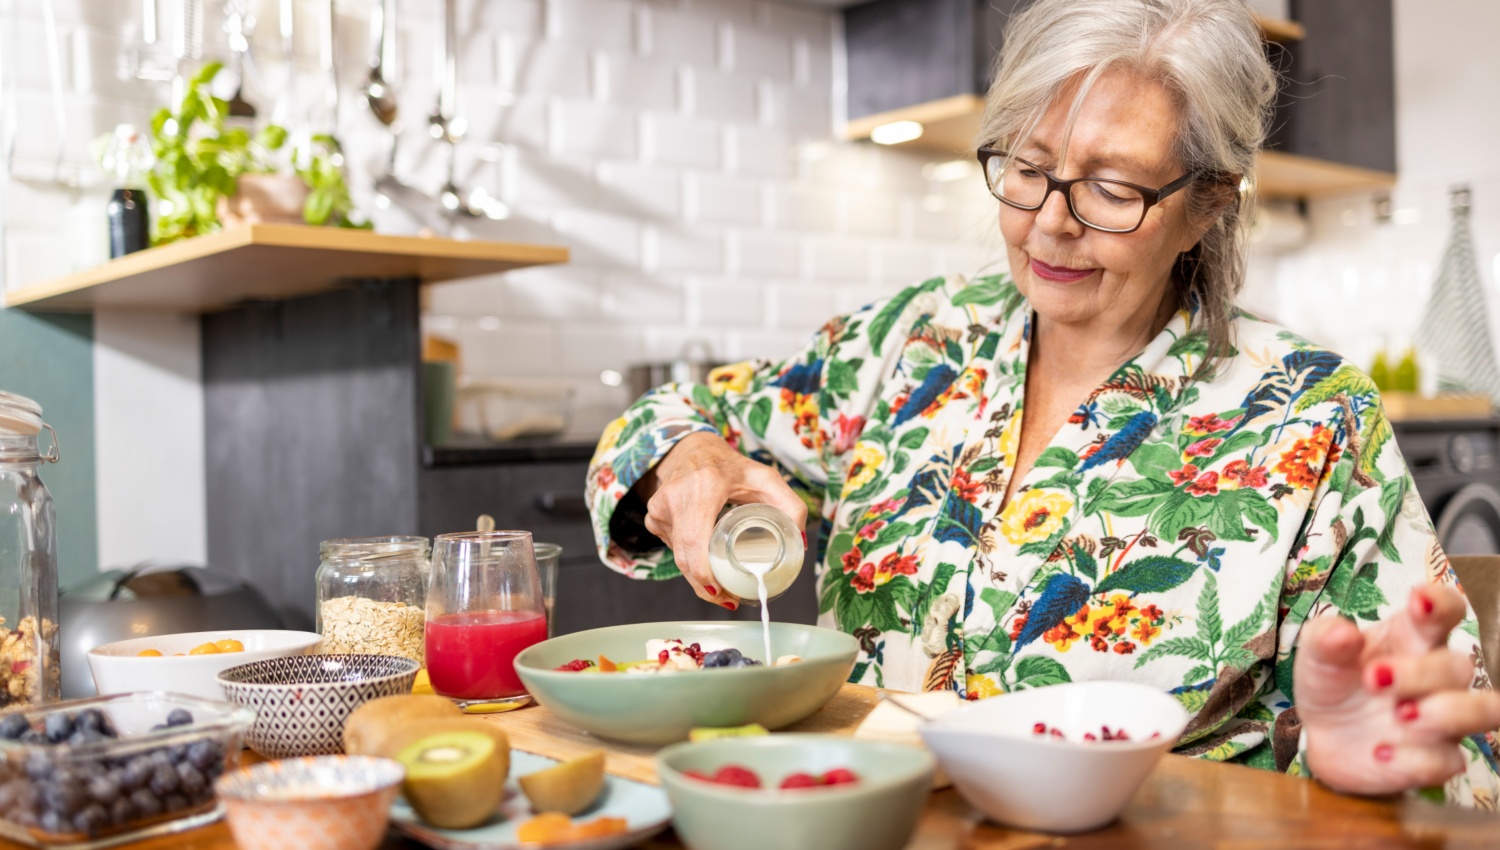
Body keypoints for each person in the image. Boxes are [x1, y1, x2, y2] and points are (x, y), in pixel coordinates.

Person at [585, 0, 1500, 803]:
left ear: (1208, 204)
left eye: (1111, 188)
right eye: (1028, 168)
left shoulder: (1311, 414)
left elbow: (1460, 764)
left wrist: (1354, 780)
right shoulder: (916, 340)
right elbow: (660, 421)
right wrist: (689, 460)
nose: (1051, 223)